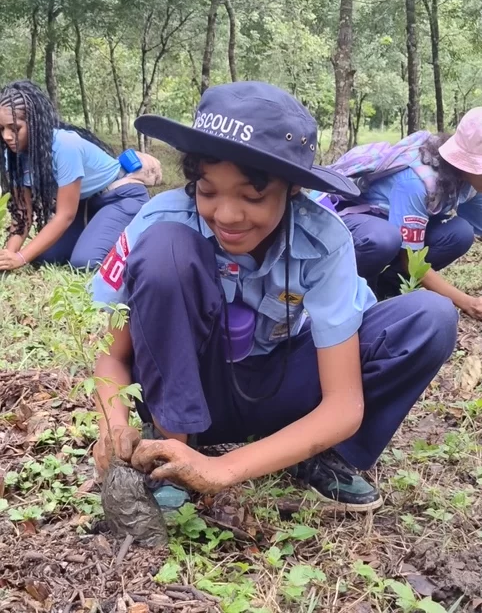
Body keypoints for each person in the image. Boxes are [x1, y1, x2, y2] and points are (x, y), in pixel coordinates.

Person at [91, 81, 458, 513]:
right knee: (164, 249)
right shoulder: (160, 219)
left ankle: (320, 454)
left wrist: (223, 469)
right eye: (208, 191)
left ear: (292, 189)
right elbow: (112, 355)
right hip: (190, 388)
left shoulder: (324, 240)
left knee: (428, 317)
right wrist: (113, 424)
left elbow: (343, 403)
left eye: (252, 196)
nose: (226, 215)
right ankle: (171, 445)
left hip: (283, 387)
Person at [319, 109, 482, 315]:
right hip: (359, 227)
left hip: (394, 227)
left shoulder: (470, 182)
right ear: (468, 164)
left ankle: (387, 290)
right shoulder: (417, 183)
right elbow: (410, 261)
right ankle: (359, 295)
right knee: (383, 239)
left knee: (460, 233)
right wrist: (469, 304)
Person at [0, 80, 159, 270]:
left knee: (86, 262)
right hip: (85, 206)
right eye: (2, 129)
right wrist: (8, 257)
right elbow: (23, 217)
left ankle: (142, 233)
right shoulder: (14, 156)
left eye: (14, 129)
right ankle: (95, 231)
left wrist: (21, 258)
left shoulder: (65, 146)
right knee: (44, 257)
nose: (7, 136)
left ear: (34, 123)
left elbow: (65, 215)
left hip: (119, 197)